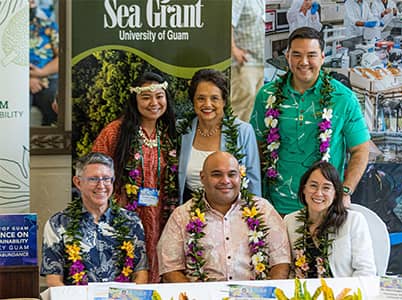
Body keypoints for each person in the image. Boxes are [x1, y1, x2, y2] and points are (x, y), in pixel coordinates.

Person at [250, 27, 370, 215]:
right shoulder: (266, 96)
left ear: (322, 57)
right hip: (275, 207)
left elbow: (360, 149)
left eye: (311, 55)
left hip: (323, 207)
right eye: (296, 55)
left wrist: (345, 191)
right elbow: (256, 147)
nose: (304, 62)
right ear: (287, 56)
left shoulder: (343, 98)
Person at [92, 71, 178, 283]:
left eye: (159, 96)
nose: (154, 103)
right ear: (134, 100)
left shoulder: (169, 134)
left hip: (161, 217)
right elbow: (94, 174)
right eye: (146, 97)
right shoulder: (115, 132)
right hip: (122, 216)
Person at [158, 151, 290, 282]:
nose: (225, 181)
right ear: (202, 177)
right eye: (217, 174)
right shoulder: (182, 215)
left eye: (232, 174)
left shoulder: (263, 209)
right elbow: (170, 268)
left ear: (240, 176)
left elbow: (281, 261)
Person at [41, 152, 148, 286]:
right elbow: (54, 279)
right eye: (93, 179)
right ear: (78, 182)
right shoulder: (57, 224)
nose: (101, 185)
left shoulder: (131, 221)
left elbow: (141, 273)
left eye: (107, 178)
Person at [178, 69, 261, 202]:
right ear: (193, 101)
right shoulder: (182, 130)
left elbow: (253, 182)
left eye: (214, 98)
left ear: (224, 101)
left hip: (231, 211)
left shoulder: (243, 131)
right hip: (188, 210)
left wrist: (252, 217)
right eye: (201, 98)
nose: (207, 104)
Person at [284, 161, 376, 278]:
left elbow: (365, 271)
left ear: (336, 194)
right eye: (313, 185)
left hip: (342, 294)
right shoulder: (290, 221)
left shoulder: (353, 221)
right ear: (304, 189)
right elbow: (288, 270)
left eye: (326, 188)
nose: (319, 193)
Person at [230, 0, 264, 122]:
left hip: (261, 62)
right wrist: (234, 50)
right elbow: (227, 24)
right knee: (241, 107)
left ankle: (250, 140)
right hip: (246, 62)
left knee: (256, 107)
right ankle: (236, 140)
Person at [29, 0, 59, 126]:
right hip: (15, 81)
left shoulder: (49, 25)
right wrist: (26, 79)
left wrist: (40, 73)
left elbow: (62, 58)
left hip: (48, 79)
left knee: (56, 104)